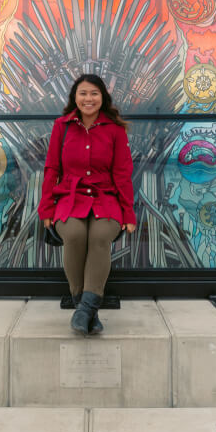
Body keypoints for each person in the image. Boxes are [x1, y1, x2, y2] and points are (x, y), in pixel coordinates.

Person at [38, 74, 136, 336]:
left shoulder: (115, 129)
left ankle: (84, 310)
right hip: (70, 198)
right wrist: (46, 209)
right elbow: (51, 168)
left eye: (94, 93)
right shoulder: (62, 126)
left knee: (101, 236)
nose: (88, 98)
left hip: (107, 198)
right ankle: (87, 309)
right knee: (74, 234)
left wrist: (128, 214)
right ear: (75, 98)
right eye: (83, 93)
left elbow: (123, 173)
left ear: (102, 97)